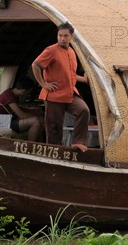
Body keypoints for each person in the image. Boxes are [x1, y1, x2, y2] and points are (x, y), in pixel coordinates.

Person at [32, 22, 90, 152]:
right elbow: (35, 65)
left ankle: (78, 143)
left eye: (65, 36)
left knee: (83, 110)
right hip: (54, 94)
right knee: (54, 127)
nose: (62, 38)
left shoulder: (72, 52)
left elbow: (71, 75)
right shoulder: (51, 50)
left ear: (71, 37)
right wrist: (43, 84)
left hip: (70, 93)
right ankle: (54, 152)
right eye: (60, 35)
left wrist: (84, 79)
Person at [0, 77, 45, 142]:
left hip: (9, 120)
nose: (28, 95)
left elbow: (18, 109)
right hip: (3, 123)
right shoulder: (8, 96)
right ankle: (30, 146)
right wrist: (36, 115)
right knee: (35, 121)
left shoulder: (12, 93)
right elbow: (21, 115)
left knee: (41, 119)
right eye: (29, 92)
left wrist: (34, 110)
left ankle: (38, 143)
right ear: (24, 91)